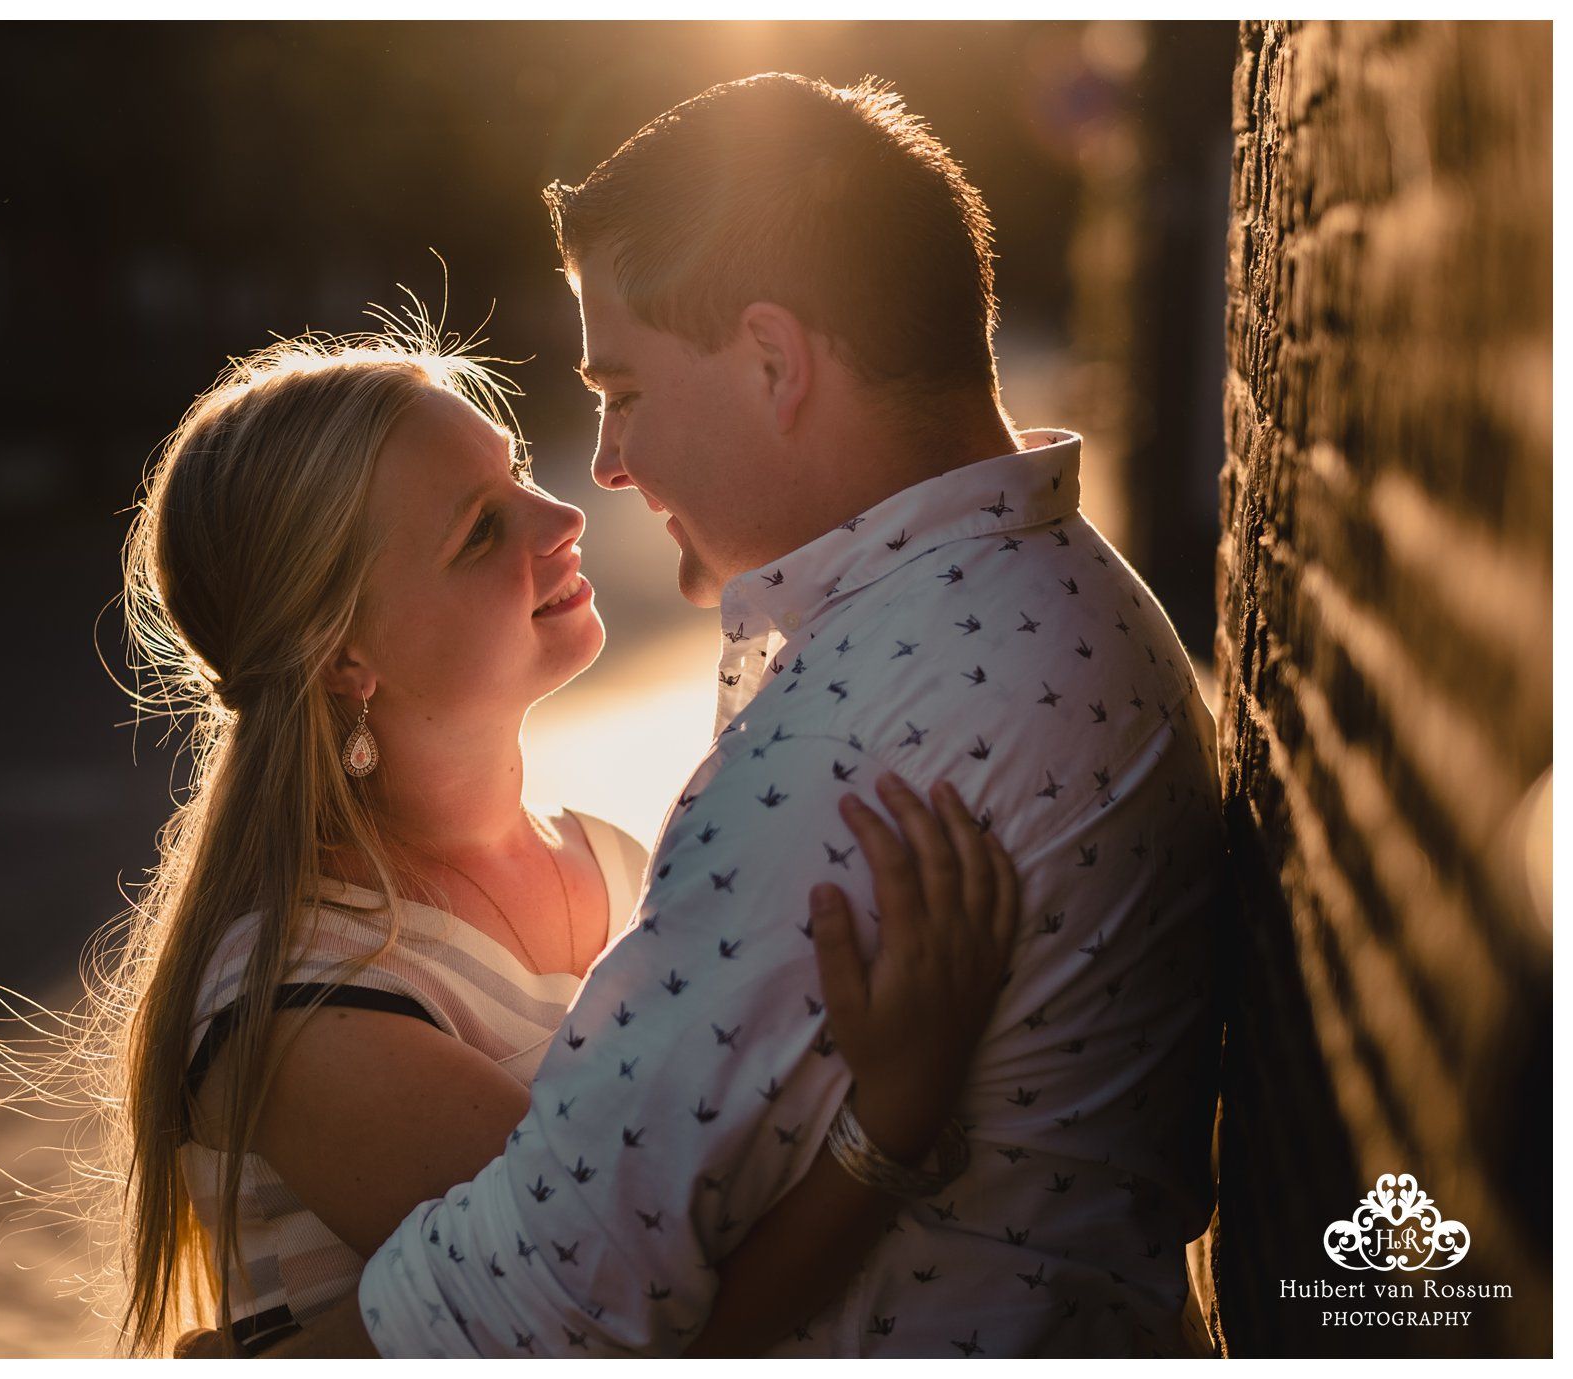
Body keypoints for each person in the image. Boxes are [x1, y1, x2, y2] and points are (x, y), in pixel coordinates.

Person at [269, 71, 1228, 1359]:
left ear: (772, 361)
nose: (603, 464)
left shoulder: (863, 740)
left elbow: (547, 1298)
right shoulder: (1030, 593)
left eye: (623, 389)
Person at [84, 325, 1020, 1360]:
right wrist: (887, 1120)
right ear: (345, 655)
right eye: (481, 529)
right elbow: (630, 1320)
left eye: (518, 468)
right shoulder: (300, 1001)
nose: (564, 513)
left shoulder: (617, 862)